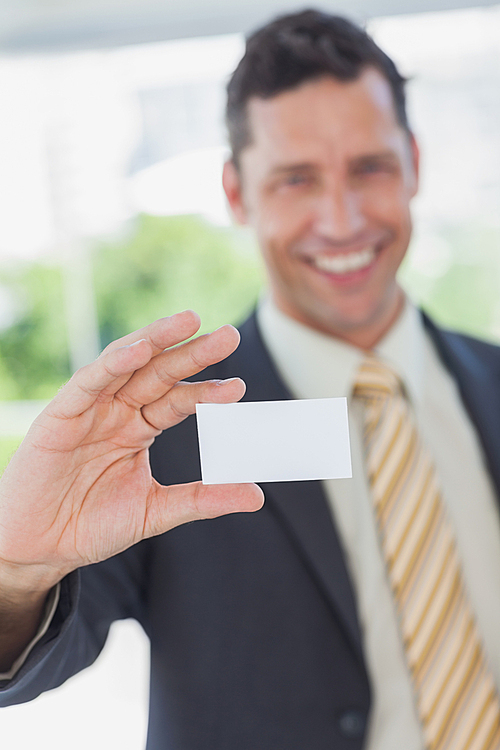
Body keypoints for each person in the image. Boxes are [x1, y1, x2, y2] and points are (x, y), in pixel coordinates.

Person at [1, 9, 500, 750]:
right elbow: (35, 659)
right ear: (237, 191)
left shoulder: (493, 384)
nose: (342, 218)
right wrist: (15, 573)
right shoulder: (164, 428)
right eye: (297, 179)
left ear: (415, 163)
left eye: (370, 167)